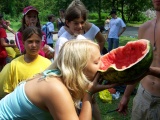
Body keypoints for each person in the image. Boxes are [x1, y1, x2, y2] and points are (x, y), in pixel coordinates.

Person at [0, 39, 117, 120]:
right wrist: (88, 93)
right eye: (97, 62)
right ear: (79, 67)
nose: (102, 65)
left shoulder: (59, 76)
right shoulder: (55, 88)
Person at [54, 1, 105, 119]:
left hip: (83, 80)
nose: (80, 26)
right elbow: (59, 66)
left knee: (91, 102)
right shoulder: (62, 41)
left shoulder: (82, 38)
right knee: (73, 108)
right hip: (69, 83)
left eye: (82, 23)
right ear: (67, 22)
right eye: (76, 23)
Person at [118, 0, 160, 119]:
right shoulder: (144, 28)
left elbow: (142, 69)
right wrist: (126, 95)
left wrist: (148, 70)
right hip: (142, 97)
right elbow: (137, 65)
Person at [0, 26, 51, 99]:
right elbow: (8, 91)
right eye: (30, 41)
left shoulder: (47, 64)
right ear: (23, 43)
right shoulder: (14, 64)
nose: (34, 45)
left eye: (37, 41)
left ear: (41, 43)